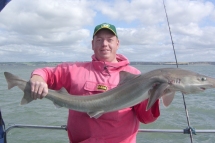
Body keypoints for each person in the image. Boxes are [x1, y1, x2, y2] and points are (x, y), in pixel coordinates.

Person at [30, 23, 160, 143]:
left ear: (117, 44)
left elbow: (146, 118)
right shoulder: (75, 70)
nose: (104, 44)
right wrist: (37, 77)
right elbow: (46, 72)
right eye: (99, 40)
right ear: (92, 44)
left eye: (110, 40)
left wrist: (155, 94)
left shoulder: (135, 76)